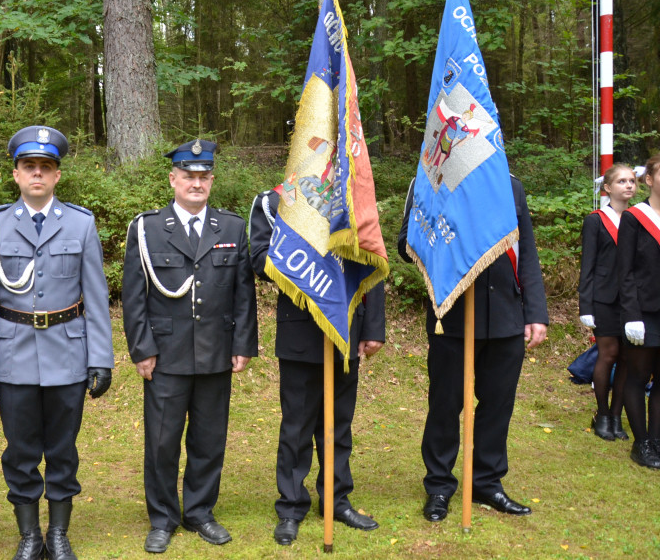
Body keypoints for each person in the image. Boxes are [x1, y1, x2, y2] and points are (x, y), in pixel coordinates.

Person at [0, 126, 114, 560]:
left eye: (45, 167)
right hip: (12, 354)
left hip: (68, 353)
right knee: (21, 450)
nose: (37, 174)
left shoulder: (80, 223)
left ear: (57, 175)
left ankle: (60, 534)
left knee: (64, 449)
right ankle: (30, 535)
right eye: (29, 166)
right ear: (15, 174)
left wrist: (100, 358)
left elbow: (96, 297)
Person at [122, 140, 258, 554]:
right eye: (188, 176)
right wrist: (142, 349)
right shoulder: (147, 229)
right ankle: (163, 517)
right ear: (173, 179)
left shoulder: (232, 228)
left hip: (216, 352)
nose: (195, 183)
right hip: (165, 355)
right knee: (162, 441)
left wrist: (243, 345)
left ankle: (199, 511)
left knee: (208, 438)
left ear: (212, 180)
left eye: (203, 176)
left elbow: (243, 293)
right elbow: (134, 296)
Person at [398, 174, 548, 522]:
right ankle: (438, 484)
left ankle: (486, 482)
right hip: (452, 314)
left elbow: (525, 251)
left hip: (507, 316)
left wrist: (535, 312)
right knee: (446, 405)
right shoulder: (433, 178)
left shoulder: (511, 184)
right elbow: (407, 243)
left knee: (498, 405)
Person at [249, 188, 385, 544]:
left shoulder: (350, 197)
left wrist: (373, 328)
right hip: (300, 332)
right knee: (296, 426)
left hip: (345, 328)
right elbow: (258, 257)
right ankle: (291, 506)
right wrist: (306, 262)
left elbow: (370, 259)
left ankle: (336, 500)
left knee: (338, 424)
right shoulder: (275, 200)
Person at [578, 163, 638, 441]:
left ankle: (616, 417)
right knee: (608, 354)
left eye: (632, 181)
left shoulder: (640, 218)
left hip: (632, 300)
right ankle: (602, 413)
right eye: (622, 181)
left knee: (628, 358)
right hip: (603, 298)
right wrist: (585, 305)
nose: (628, 186)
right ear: (607, 188)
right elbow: (587, 265)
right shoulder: (596, 220)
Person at [616, 153, 660, 469]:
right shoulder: (635, 217)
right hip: (643, 311)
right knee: (637, 376)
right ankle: (641, 443)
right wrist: (631, 314)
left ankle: (656, 440)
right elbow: (625, 270)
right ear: (649, 180)